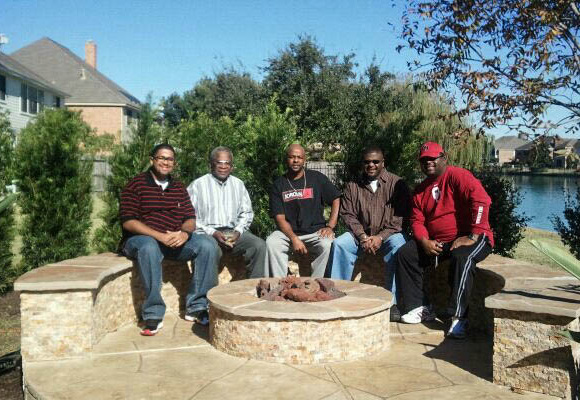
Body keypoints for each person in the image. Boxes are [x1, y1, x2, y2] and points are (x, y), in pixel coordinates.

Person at [396, 141, 494, 339]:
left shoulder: (458, 176)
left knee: (462, 257)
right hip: (440, 241)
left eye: (432, 158)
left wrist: (472, 235)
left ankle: (458, 317)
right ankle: (420, 306)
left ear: (444, 158)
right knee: (406, 254)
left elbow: (482, 201)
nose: (428, 163)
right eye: (424, 160)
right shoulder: (420, 190)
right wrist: (424, 240)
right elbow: (417, 220)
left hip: (475, 236)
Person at [120, 144, 218, 336]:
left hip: (174, 240)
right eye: (161, 158)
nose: (166, 162)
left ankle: (197, 307)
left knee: (207, 244)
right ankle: (153, 314)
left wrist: (184, 234)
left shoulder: (178, 187)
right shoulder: (136, 184)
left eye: (170, 159)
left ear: (174, 163)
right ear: (152, 160)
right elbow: (128, 221)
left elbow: (190, 218)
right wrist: (159, 237)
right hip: (141, 240)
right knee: (149, 247)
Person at [329, 146, 409, 320]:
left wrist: (380, 237)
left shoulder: (397, 184)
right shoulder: (353, 186)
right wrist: (363, 237)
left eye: (375, 162)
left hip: (388, 235)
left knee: (399, 246)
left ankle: (393, 302)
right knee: (339, 244)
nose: (371, 165)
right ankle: (335, 294)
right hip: (360, 235)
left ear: (383, 163)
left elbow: (400, 219)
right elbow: (347, 214)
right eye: (367, 162)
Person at [187, 146, 268, 280]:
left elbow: (246, 213)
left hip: (233, 233)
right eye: (219, 162)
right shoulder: (197, 185)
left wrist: (238, 231)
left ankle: (254, 289)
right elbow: (189, 217)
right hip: (207, 234)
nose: (223, 166)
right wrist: (212, 232)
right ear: (211, 164)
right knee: (210, 250)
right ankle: (206, 297)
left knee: (259, 246)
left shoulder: (238, 184)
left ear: (232, 166)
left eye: (227, 163)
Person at [267, 144, 340, 277]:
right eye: (292, 157)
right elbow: (280, 218)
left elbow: (336, 198)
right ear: (286, 159)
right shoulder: (279, 184)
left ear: (304, 159)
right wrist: (294, 238)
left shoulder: (316, 178)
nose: (295, 161)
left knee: (328, 244)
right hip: (288, 233)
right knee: (272, 242)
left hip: (315, 232)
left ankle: (316, 284)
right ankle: (279, 285)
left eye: (299, 157)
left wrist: (330, 226)